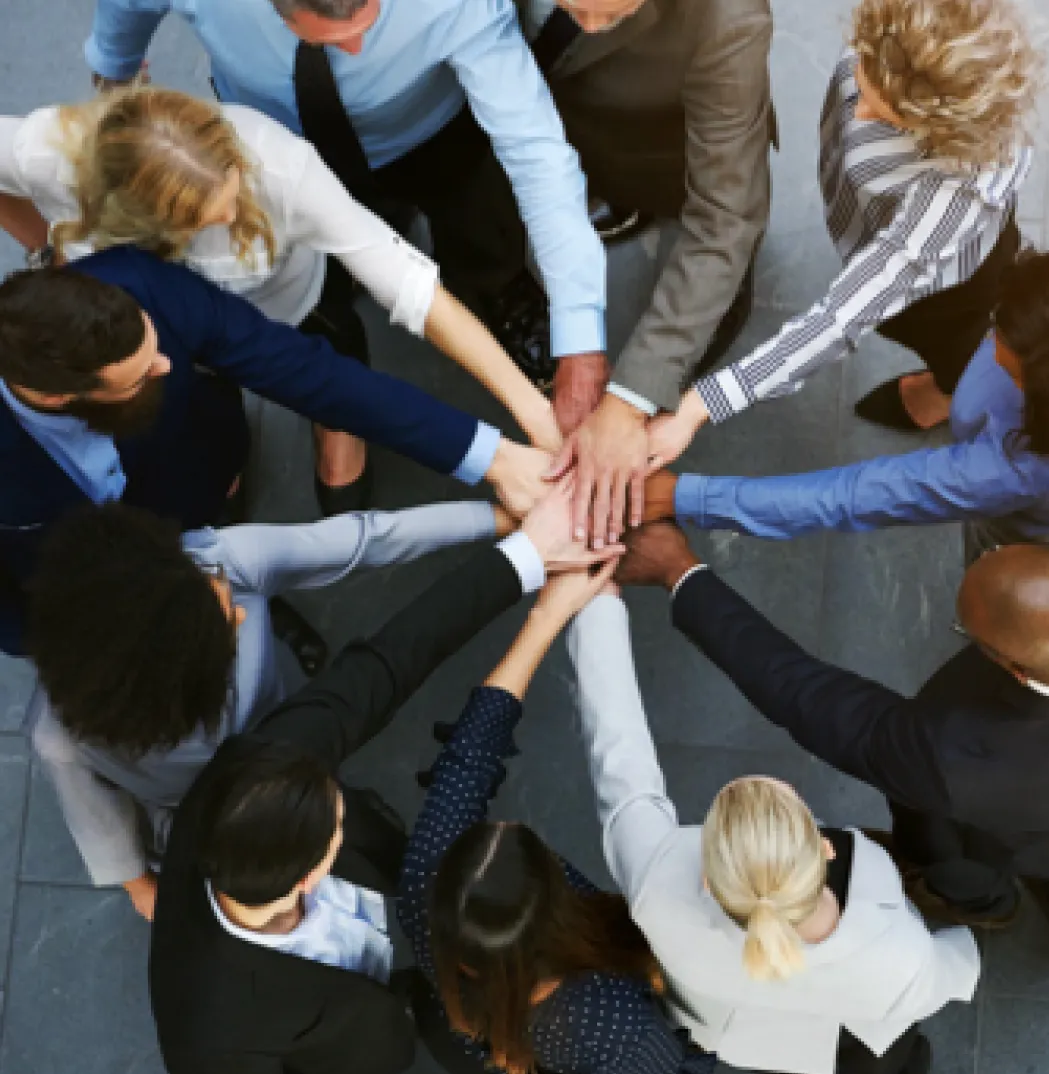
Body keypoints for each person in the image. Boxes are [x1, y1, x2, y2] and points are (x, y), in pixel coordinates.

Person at [614, 523, 1049, 973]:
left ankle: (987, 906)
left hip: (993, 836)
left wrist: (681, 572)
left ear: (1012, 668)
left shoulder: (947, 753)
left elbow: (803, 694)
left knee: (967, 865)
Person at [148, 481, 618, 1074]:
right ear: (311, 873)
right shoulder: (209, 1034)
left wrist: (529, 553)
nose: (349, 803)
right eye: (339, 819)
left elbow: (387, 663)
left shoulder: (253, 768)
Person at [587, 0, 1039, 551]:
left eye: (888, 116)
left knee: (949, 340)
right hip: (870, 233)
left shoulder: (955, 192)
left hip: (945, 290)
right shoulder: (899, 39)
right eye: (863, 77)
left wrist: (699, 406)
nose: (861, 112)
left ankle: (947, 387)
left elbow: (839, 319)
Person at [0, 86, 561, 513]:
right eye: (206, 220)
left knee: (324, 371)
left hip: (285, 315)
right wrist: (49, 255)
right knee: (181, 431)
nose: (232, 216)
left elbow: (408, 285)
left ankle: (334, 425)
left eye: (233, 195)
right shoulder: (48, 154)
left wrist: (530, 413)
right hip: (140, 334)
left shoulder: (283, 170)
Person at [85, 0, 611, 435]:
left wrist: (581, 333)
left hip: (432, 126)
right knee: (315, 266)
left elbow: (537, 150)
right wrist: (115, 64)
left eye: (368, 21)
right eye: (331, 39)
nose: (357, 51)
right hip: (274, 138)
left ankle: (501, 293)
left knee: (479, 222)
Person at [0, 251, 552, 654]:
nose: (166, 366)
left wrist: (496, 458)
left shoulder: (143, 284)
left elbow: (308, 372)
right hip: (91, 581)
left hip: (193, 474)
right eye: (141, 377)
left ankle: (248, 599)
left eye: (156, 350)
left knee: (228, 541)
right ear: (56, 396)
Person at [26, 497, 517, 921]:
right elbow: (106, 830)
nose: (239, 611)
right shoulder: (61, 739)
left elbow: (367, 538)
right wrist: (152, 892)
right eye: (220, 628)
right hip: (208, 815)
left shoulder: (218, 560)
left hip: (290, 727)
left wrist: (497, 519)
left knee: (360, 834)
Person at [642, 225, 1049, 587]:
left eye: (1012, 371)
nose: (993, 347)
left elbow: (851, 497)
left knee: (996, 591)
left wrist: (683, 496)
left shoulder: (1015, 466)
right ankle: (946, 396)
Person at [566, 586, 979, 1074]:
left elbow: (619, 757)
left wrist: (594, 605)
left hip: (745, 1039)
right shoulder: (901, 958)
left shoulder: (655, 888)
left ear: (708, 879)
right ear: (826, 848)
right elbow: (934, 982)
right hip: (861, 1043)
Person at [397, 582, 715, 1074]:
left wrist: (546, 615)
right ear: (553, 909)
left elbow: (470, 758)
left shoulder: (424, 885)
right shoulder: (611, 1022)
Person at [525, 0, 774, 542]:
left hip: (668, 145)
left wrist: (630, 398)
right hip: (581, 125)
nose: (590, 26)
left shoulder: (728, 20)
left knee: (713, 285)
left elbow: (724, 220)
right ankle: (622, 197)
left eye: (611, 14)